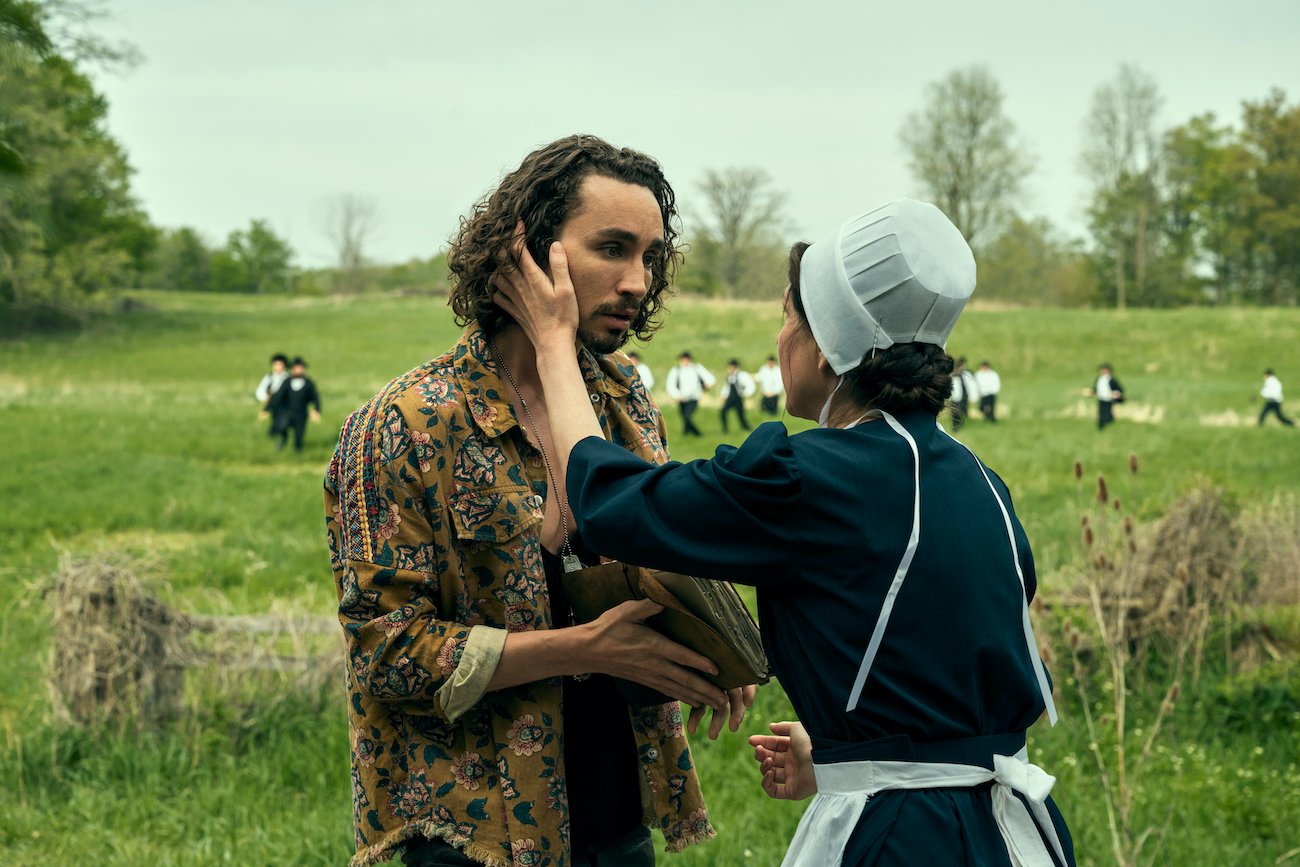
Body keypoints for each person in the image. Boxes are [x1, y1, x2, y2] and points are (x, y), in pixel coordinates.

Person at [494, 197, 1075, 867]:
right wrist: (850, 746)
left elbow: (609, 503)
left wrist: (553, 344)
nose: (782, 338)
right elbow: (938, 655)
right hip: (1009, 831)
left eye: (789, 318)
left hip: (903, 839)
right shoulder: (979, 481)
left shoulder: (808, 479)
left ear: (826, 350)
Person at [323, 135, 750, 867]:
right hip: (477, 833)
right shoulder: (406, 423)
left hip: (619, 817)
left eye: (650, 256)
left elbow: (651, 564)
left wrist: (708, 640)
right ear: (527, 250)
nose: (637, 281)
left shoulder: (624, 400)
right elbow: (383, 654)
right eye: (612, 248)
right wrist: (583, 650)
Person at [265, 356, 320, 451]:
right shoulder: (287, 382)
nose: (298, 370)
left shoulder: (308, 383)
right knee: (282, 426)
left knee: (299, 437)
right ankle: (283, 439)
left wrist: (316, 410)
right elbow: (277, 396)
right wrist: (267, 409)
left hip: (301, 414)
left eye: (300, 368)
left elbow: (315, 397)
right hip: (288, 412)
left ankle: (298, 451)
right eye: (296, 368)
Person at [664, 352, 714, 436]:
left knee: (687, 417)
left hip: (694, 397)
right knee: (684, 417)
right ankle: (685, 434)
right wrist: (676, 395)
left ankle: (698, 434)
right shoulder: (676, 370)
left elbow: (710, 378)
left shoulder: (696, 368)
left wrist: (708, 384)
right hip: (682, 398)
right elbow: (670, 384)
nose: (685, 361)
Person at [719, 359, 756, 433]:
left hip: (738, 398)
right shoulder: (729, 376)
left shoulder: (742, 375)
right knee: (723, 411)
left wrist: (745, 393)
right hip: (730, 398)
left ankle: (746, 427)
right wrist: (723, 396)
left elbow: (750, 385)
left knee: (741, 415)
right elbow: (726, 387)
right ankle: (725, 429)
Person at [1090, 363, 1124, 430]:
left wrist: (1116, 393)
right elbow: (1096, 389)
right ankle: (1101, 426)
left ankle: (1109, 425)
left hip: (1108, 399)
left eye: (1105, 370)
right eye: (1102, 370)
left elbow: (1119, 389)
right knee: (1101, 413)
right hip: (1101, 399)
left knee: (1107, 413)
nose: (1103, 371)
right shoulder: (1099, 379)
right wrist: (1093, 392)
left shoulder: (1111, 380)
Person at [948, 356, 978, 430]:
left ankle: (959, 425)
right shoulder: (952, 377)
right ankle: (955, 426)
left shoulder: (964, 376)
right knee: (954, 413)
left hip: (961, 398)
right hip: (954, 398)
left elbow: (970, 386)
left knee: (960, 412)